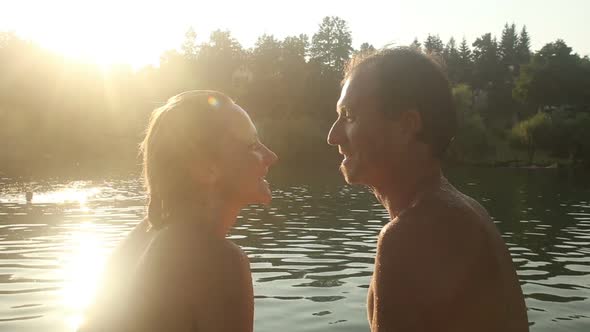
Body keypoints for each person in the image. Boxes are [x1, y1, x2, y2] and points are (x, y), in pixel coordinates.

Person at [327, 48, 529, 332]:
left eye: (349, 116)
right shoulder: (464, 211)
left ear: (406, 125)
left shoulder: (411, 235)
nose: (332, 136)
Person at [79, 90, 278, 332]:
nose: (271, 156)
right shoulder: (216, 260)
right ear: (205, 168)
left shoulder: (143, 237)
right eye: (253, 145)